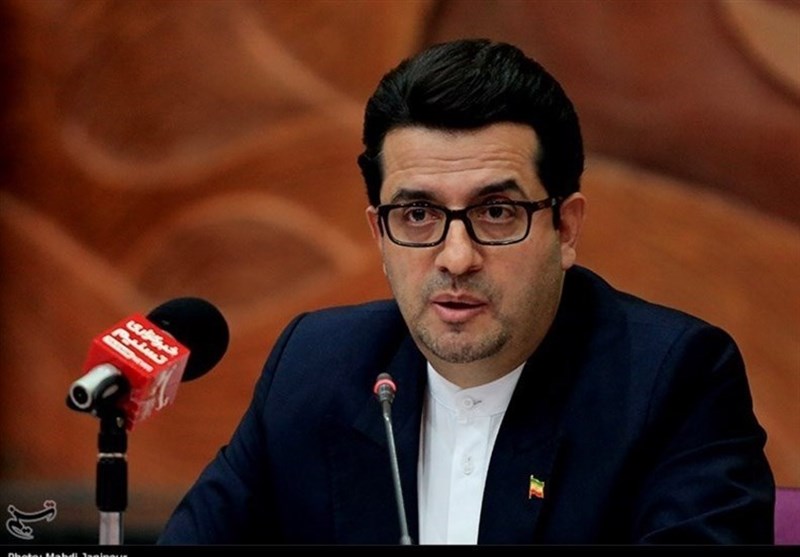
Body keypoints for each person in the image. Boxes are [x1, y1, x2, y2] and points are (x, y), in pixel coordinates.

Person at [158, 38, 775, 544]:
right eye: (418, 215)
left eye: (497, 212)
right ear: (379, 233)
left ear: (565, 228)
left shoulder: (671, 381)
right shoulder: (315, 368)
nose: (456, 257)